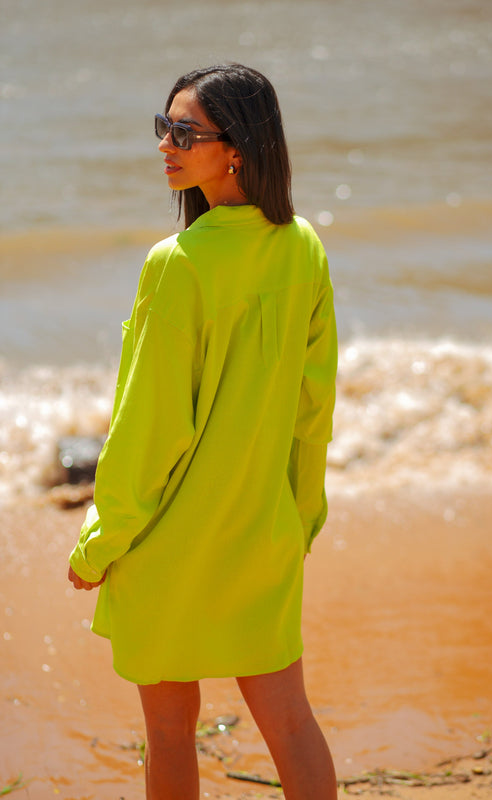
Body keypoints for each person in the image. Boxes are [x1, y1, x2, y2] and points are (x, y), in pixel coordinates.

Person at [68, 63, 338, 800]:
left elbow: (149, 430)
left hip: (170, 547)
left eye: (185, 133)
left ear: (238, 149)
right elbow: (313, 410)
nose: (166, 145)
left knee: (167, 731)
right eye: (164, 127)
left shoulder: (176, 264)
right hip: (261, 535)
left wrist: (100, 542)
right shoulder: (303, 246)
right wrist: (299, 517)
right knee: (290, 723)